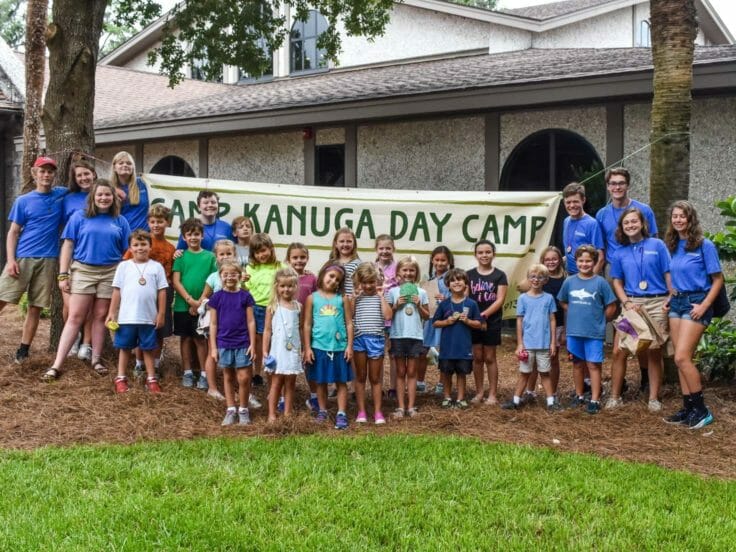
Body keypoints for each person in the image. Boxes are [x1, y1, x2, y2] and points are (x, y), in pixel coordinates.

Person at [43, 179, 131, 380]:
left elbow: (127, 251)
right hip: (83, 270)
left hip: (111, 272)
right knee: (75, 317)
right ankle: (57, 364)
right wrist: (63, 274)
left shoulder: (120, 220)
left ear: (113, 197)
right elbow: (67, 246)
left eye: (107, 194)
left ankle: (96, 360)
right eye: (99, 194)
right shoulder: (79, 217)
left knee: (101, 317)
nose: (103, 198)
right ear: (93, 197)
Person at [596, 167, 659, 395]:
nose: (617, 187)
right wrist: (595, 280)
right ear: (608, 186)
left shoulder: (644, 210)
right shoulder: (602, 214)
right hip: (617, 279)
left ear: (628, 185)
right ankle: (617, 383)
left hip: (643, 282)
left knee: (643, 333)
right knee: (620, 332)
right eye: (613, 183)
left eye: (621, 182)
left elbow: (654, 244)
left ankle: (645, 380)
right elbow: (601, 251)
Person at [0, 156, 66, 364]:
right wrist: (11, 260)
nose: (46, 175)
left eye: (50, 171)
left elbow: (86, 188)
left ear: (54, 174)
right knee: (2, 298)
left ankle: (23, 349)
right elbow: (13, 232)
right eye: (42, 171)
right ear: (34, 173)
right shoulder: (23, 201)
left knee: (35, 306)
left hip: (48, 259)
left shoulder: (61, 195)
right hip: (23, 258)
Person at [663, 200, 722, 429]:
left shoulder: (704, 245)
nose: (678, 220)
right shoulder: (673, 244)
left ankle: (702, 410)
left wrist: (704, 305)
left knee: (682, 357)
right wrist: (671, 296)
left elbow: (717, 280)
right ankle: (688, 409)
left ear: (690, 219)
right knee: (679, 359)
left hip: (697, 302)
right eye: (675, 216)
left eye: (682, 216)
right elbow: (676, 276)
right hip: (677, 303)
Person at [608, 207, 671, 412]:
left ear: (642, 223)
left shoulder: (658, 245)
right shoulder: (619, 252)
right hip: (632, 305)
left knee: (654, 351)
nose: (630, 225)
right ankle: (615, 396)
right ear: (621, 227)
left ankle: (653, 398)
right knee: (619, 350)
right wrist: (625, 302)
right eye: (626, 223)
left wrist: (670, 296)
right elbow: (617, 281)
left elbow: (668, 273)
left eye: (634, 221)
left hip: (656, 303)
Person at [106, 230, 168, 394]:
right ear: (130, 248)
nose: (140, 248)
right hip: (127, 317)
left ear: (150, 246)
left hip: (148, 317)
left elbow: (162, 292)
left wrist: (161, 313)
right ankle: (120, 377)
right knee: (125, 347)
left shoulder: (156, 267)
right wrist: (112, 312)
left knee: (148, 348)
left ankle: (151, 379)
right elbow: (117, 291)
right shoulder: (124, 266)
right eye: (136, 245)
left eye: (143, 244)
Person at [557, 245, 617, 414]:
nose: (584, 264)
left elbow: (611, 306)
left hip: (594, 333)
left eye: (588, 261)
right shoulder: (569, 281)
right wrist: (574, 311)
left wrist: (601, 320)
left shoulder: (600, 282)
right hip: (574, 331)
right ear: (576, 262)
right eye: (581, 261)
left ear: (594, 262)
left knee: (593, 365)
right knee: (577, 364)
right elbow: (562, 300)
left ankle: (595, 399)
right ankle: (579, 395)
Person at [123, 204, 175, 379]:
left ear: (167, 223)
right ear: (148, 222)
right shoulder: (142, 241)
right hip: (142, 292)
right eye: (152, 221)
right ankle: (139, 364)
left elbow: (172, 273)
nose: (156, 225)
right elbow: (126, 264)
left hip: (163, 291)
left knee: (159, 329)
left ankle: (156, 364)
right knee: (141, 327)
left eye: (160, 221)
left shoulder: (170, 248)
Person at [303, 263, 354, 429]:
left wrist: (349, 346)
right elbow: (307, 324)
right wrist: (308, 347)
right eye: (331, 276)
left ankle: (341, 413)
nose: (333, 281)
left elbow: (348, 323)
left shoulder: (342, 299)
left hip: (339, 347)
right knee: (320, 381)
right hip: (319, 347)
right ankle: (323, 411)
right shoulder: (312, 298)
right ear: (323, 274)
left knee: (341, 382)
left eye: (337, 280)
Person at [502, 264, 559, 411]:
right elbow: (519, 320)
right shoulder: (523, 299)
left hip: (543, 344)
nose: (536, 280)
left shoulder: (548, 298)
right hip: (528, 344)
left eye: (540, 277)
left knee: (545, 373)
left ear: (545, 280)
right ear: (528, 279)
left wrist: (553, 342)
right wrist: (520, 344)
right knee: (525, 373)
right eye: (533, 277)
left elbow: (552, 320)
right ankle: (516, 400)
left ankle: (551, 402)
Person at [208, 260, 256, 426]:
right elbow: (213, 324)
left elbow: (251, 321)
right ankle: (230, 409)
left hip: (243, 342)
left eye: (233, 274)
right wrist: (214, 348)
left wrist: (252, 344)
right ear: (220, 276)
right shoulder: (216, 298)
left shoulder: (246, 296)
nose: (230, 277)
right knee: (228, 376)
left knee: (243, 377)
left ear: (240, 276)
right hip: (224, 342)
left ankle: (243, 409)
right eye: (226, 274)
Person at [172, 217, 217, 389]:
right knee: (185, 339)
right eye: (189, 235)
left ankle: (204, 374)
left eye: (196, 234)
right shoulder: (181, 256)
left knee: (200, 339)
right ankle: (188, 372)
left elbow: (212, 281)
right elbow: (176, 281)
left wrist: (200, 303)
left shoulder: (210, 257)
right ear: (184, 237)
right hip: (183, 306)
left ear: (202, 235)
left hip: (203, 306)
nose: (193, 238)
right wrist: (190, 301)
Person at [520, 246, 566, 402]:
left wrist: (566, 327)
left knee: (553, 359)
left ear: (560, 260)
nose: (551, 262)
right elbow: (521, 287)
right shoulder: (539, 276)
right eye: (547, 259)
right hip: (537, 326)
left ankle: (552, 393)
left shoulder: (565, 278)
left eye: (554, 259)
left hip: (556, 323)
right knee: (532, 360)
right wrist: (535, 275)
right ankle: (530, 391)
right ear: (542, 261)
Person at [62, 159, 97, 359]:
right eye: (79, 175)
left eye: (87, 173)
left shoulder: (103, 194)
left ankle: (87, 343)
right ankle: (73, 337)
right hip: (72, 255)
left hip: (94, 257)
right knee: (70, 303)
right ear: (75, 179)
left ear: (93, 174)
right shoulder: (68, 198)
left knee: (91, 305)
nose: (84, 178)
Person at [432, 268, 482, 409]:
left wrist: (468, 321)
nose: (456, 282)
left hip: (464, 347)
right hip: (447, 347)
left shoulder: (471, 304)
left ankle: (460, 399)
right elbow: (435, 322)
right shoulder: (444, 304)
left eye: (459, 279)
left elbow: (478, 323)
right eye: (453, 280)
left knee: (461, 373)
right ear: (448, 285)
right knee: (447, 373)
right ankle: (447, 397)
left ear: (466, 283)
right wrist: (446, 322)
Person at [467, 240, 508, 405]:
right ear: (475, 255)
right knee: (477, 357)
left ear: (493, 253)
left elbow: (500, 300)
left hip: (492, 321)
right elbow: (466, 298)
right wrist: (476, 318)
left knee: (490, 357)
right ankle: (479, 393)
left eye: (488, 252)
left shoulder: (500, 275)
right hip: (473, 321)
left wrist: (483, 316)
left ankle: (492, 394)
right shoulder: (469, 275)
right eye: (481, 252)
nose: (484, 255)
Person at [388, 256, 429, 418]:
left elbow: (427, 316)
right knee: (400, 371)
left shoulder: (422, 292)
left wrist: (419, 305)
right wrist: (396, 305)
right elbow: (387, 315)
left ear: (416, 273)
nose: (408, 273)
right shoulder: (392, 292)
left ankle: (411, 407)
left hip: (415, 336)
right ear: (398, 272)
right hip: (398, 336)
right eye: (405, 270)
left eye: (412, 270)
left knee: (412, 372)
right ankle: (400, 407)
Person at [351, 262, 392, 424]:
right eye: (365, 282)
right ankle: (361, 411)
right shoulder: (357, 297)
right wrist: (354, 298)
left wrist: (381, 296)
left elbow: (388, 316)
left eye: (372, 281)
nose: (368, 285)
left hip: (376, 339)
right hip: (359, 339)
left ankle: (377, 412)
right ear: (359, 282)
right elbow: (350, 315)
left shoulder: (382, 296)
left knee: (375, 378)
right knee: (360, 377)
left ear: (377, 281)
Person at [262, 267, 304, 422]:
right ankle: (272, 414)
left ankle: (287, 413)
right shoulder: (272, 306)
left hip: (293, 349)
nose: (286, 289)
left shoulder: (299, 306)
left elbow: (301, 328)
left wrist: (304, 348)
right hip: (278, 350)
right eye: (283, 286)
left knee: (291, 382)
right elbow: (267, 330)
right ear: (277, 287)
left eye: (290, 286)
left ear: (295, 287)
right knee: (276, 382)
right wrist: (265, 350)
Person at [245, 233, 282, 389]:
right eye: (257, 252)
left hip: (275, 308)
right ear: (253, 254)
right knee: (258, 342)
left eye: (264, 250)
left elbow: (291, 278)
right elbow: (247, 288)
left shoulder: (280, 266)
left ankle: (274, 372)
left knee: (274, 341)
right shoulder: (250, 268)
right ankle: (257, 373)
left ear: (271, 249)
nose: (262, 255)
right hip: (256, 308)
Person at [285, 242, 318, 412]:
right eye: (295, 257)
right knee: (287, 360)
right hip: (288, 325)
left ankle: (314, 396)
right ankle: (283, 397)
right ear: (288, 259)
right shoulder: (284, 278)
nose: (299, 260)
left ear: (307, 258)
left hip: (307, 325)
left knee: (308, 359)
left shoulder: (312, 279)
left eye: (302, 257)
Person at [420, 245, 453, 397]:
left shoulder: (452, 279)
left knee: (444, 351)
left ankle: (442, 383)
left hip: (446, 319)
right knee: (423, 349)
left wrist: (447, 299)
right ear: (432, 261)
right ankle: (420, 382)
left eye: (443, 260)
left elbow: (459, 298)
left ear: (449, 261)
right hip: (430, 319)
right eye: (437, 260)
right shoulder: (428, 280)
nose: (439, 263)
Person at [562, 182, 605, 275]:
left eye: (575, 201)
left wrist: (590, 280)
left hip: (587, 275)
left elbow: (600, 258)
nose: (572, 205)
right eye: (568, 202)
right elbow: (570, 250)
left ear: (583, 200)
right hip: (570, 274)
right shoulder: (566, 221)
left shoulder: (592, 223)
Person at [110, 151, 150, 231]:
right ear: (114, 167)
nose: (125, 165)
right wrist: (112, 189)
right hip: (122, 236)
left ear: (133, 168)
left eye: (129, 163)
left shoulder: (142, 183)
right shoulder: (109, 188)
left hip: (143, 237)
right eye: (121, 163)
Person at [327, 227, 361, 297]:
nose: (345, 244)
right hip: (334, 303)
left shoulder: (358, 264)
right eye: (342, 241)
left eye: (349, 241)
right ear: (336, 244)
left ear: (354, 244)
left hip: (351, 302)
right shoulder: (331, 263)